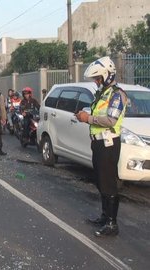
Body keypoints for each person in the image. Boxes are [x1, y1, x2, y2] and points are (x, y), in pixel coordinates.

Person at [75, 56, 128, 237]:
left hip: (108, 143)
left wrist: (87, 118)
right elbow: (98, 115)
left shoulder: (116, 94)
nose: (96, 82)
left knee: (108, 183)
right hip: (98, 142)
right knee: (100, 180)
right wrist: (84, 115)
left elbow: (111, 119)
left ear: (107, 75)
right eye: (95, 79)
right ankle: (105, 216)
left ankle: (112, 224)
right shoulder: (102, 94)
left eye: (98, 78)